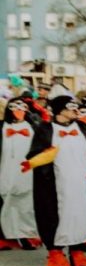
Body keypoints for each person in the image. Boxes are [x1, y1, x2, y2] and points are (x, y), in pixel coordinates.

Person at [30, 94, 86, 266]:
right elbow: (35, 157)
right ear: (59, 110)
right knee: (52, 214)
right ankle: (55, 254)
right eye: (71, 107)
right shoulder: (45, 129)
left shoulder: (83, 128)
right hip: (55, 185)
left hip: (82, 183)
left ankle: (78, 252)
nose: (75, 110)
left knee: (83, 213)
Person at [1, 95, 41, 250]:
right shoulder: (2, 127)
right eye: (15, 107)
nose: (19, 110)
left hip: (27, 172)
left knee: (26, 204)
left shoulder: (34, 128)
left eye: (22, 107)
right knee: (5, 203)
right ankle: (5, 236)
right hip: (5, 170)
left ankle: (26, 234)